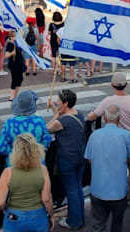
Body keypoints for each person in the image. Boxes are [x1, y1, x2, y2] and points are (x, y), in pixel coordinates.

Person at [88, 72, 130, 207]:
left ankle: (115, 193)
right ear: (125, 84)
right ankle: (129, 196)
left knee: (115, 167)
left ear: (112, 85)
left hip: (114, 142)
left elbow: (92, 116)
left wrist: (92, 113)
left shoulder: (108, 101)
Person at [85, 104, 130, 232]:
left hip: (98, 189)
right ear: (119, 118)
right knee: (117, 224)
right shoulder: (126, 136)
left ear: (104, 118)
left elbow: (89, 159)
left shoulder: (94, 135)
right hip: (119, 191)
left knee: (98, 225)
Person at [0, 133, 55, 232]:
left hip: (14, 216)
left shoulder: (8, 173)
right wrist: (51, 215)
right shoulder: (43, 170)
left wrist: (6, 210)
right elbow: (46, 199)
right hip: (38, 215)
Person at [46, 90, 87, 229]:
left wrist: (56, 113)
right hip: (80, 157)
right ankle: (80, 216)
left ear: (65, 103)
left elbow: (47, 129)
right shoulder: (78, 114)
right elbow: (62, 122)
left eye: (59, 101)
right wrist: (54, 109)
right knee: (78, 188)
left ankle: (74, 221)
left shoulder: (62, 120)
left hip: (67, 159)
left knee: (71, 190)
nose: (57, 102)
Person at [0, 90, 52, 166]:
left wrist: (17, 154)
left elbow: (1, 147)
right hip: (36, 165)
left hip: (14, 166)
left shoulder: (9, 123)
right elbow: (46, 142)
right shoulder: (39, 121)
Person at [4, 31, 26, 101]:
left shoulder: (17, 43)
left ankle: (16, 94)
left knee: (20, 79)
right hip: (14, 64)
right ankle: (12, 96)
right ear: (10, 37)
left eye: (15, 36)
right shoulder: (10, 44)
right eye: (13, 36)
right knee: (15, 79)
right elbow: (6, 55)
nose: (15, 38)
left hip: (19, 64)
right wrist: (12, 53)